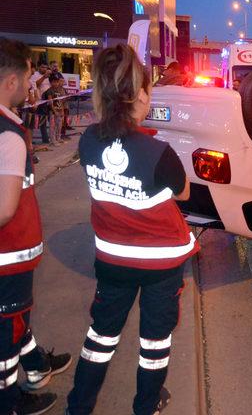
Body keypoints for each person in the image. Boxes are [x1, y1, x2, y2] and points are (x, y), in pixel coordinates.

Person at [66, 44, 200, 415]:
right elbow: (183, 192)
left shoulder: (88, 139)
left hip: (112, 261)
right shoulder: (157, 151)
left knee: (101, 336)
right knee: (154, 343)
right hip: (160, 267)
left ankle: (78, 406)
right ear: (140, 95)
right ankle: (146, 405)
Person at [0, 37, 72, 415]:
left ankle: (37, 364)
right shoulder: (9, 136)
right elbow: (5, 208)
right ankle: (10, 401)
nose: (32, 87)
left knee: (16, 319)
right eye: (28, 79)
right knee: (7, 331)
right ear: (10, 82)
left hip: (11, 254)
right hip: (9, 254)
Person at [42, 73, 64, 147]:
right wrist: (54, 111)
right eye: (54, 82)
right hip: (52, 111)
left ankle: (58, 138)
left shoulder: (59, 90)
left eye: (57, 82)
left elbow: (61, 101)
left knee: (59, 125)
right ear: (50, 82)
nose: (56, 83)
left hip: (60, 110)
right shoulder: (49, 91)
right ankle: (53, 140)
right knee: (52, 126)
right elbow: (50, 102)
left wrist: (62, 110)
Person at [30, 62, 51, 145]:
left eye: (46, 67)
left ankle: (52, 137)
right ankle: (45, 138)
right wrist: (44, 76)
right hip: (39, 101)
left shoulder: (48, 75)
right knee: (41, 121)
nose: (44, 69)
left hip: (48, 100)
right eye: (42, 67)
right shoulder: (35, 75)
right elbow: (35, 85)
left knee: (50, 119)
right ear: (38, 67)